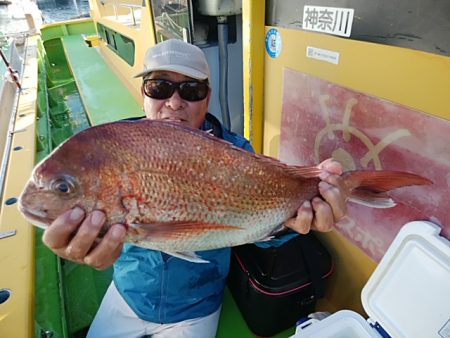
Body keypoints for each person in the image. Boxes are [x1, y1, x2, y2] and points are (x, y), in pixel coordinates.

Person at [42, 39, 349, 338]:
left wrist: (293, 223)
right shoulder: (116, 150)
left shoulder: (237, 151)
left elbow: (260, 225)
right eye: (159, 88)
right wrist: (79, 245)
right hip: (127, 298)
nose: (174, 103)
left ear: (207, 97)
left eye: (191, 90)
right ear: (144, 93)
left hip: (197, 308)